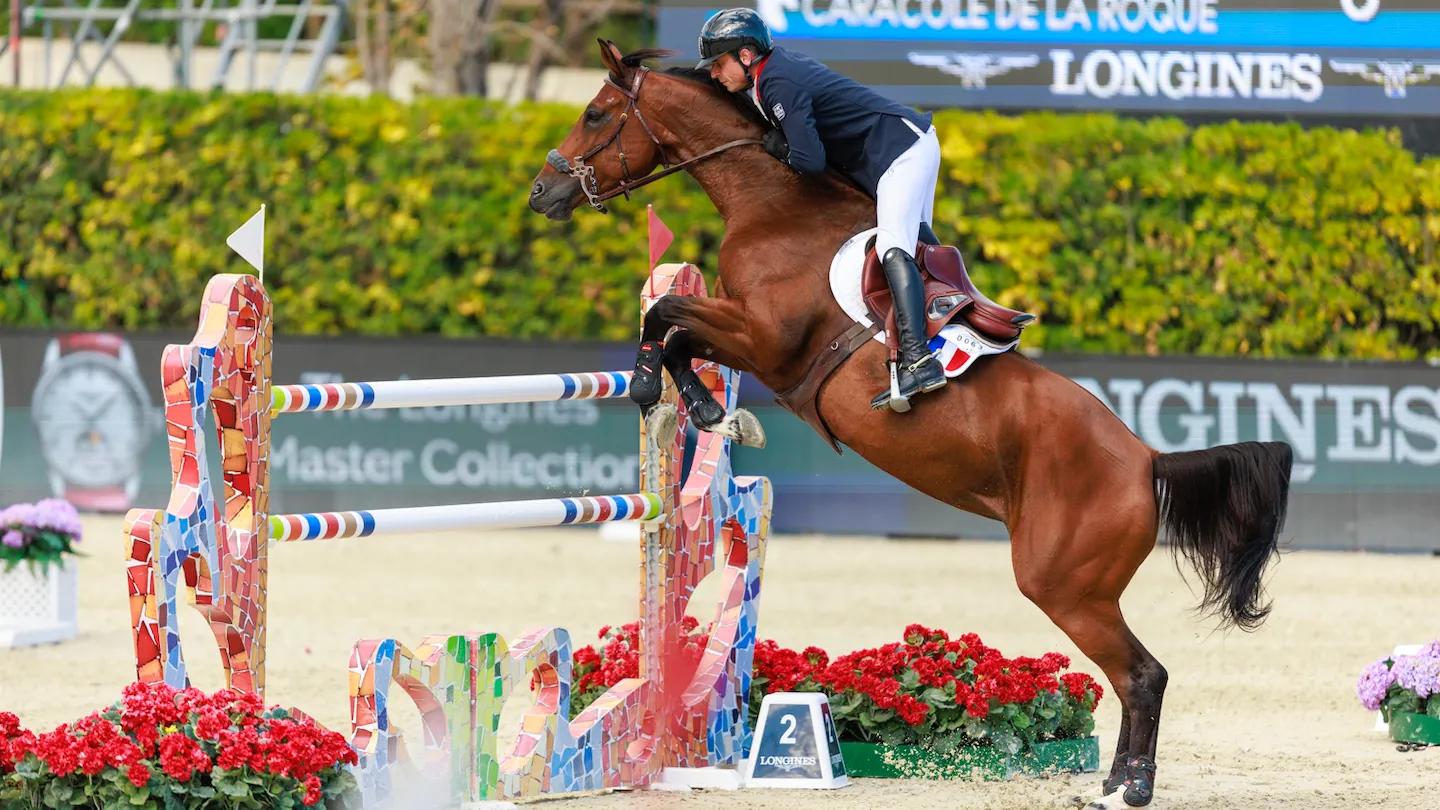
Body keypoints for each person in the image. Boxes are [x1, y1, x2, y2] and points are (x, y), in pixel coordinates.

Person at [695, 7, 947, 412]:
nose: (713, 73)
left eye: (718, 63)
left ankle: (919, 360)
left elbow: (809, 161)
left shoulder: (776, 80)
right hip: (901, 148)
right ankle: (949, 336)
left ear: (745, 55)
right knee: (918, 250)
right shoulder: (765, 77)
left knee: (893, 248)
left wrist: (777, 145)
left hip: (899, 152)